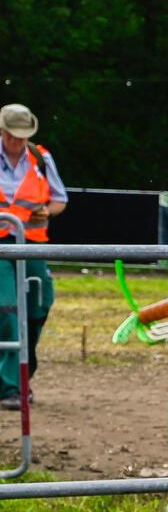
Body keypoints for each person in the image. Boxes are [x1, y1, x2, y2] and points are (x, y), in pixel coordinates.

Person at [0, 104, 64, 411]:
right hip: (0, 247)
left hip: (33, 243)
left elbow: (60, 199)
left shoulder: (40, 157)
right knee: (7, 311)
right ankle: (10, 387)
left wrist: (46, 211)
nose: (18, 142)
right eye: (13, 136)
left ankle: (23, 375)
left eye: (23, 137)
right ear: (3, 132)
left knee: (38, 307)